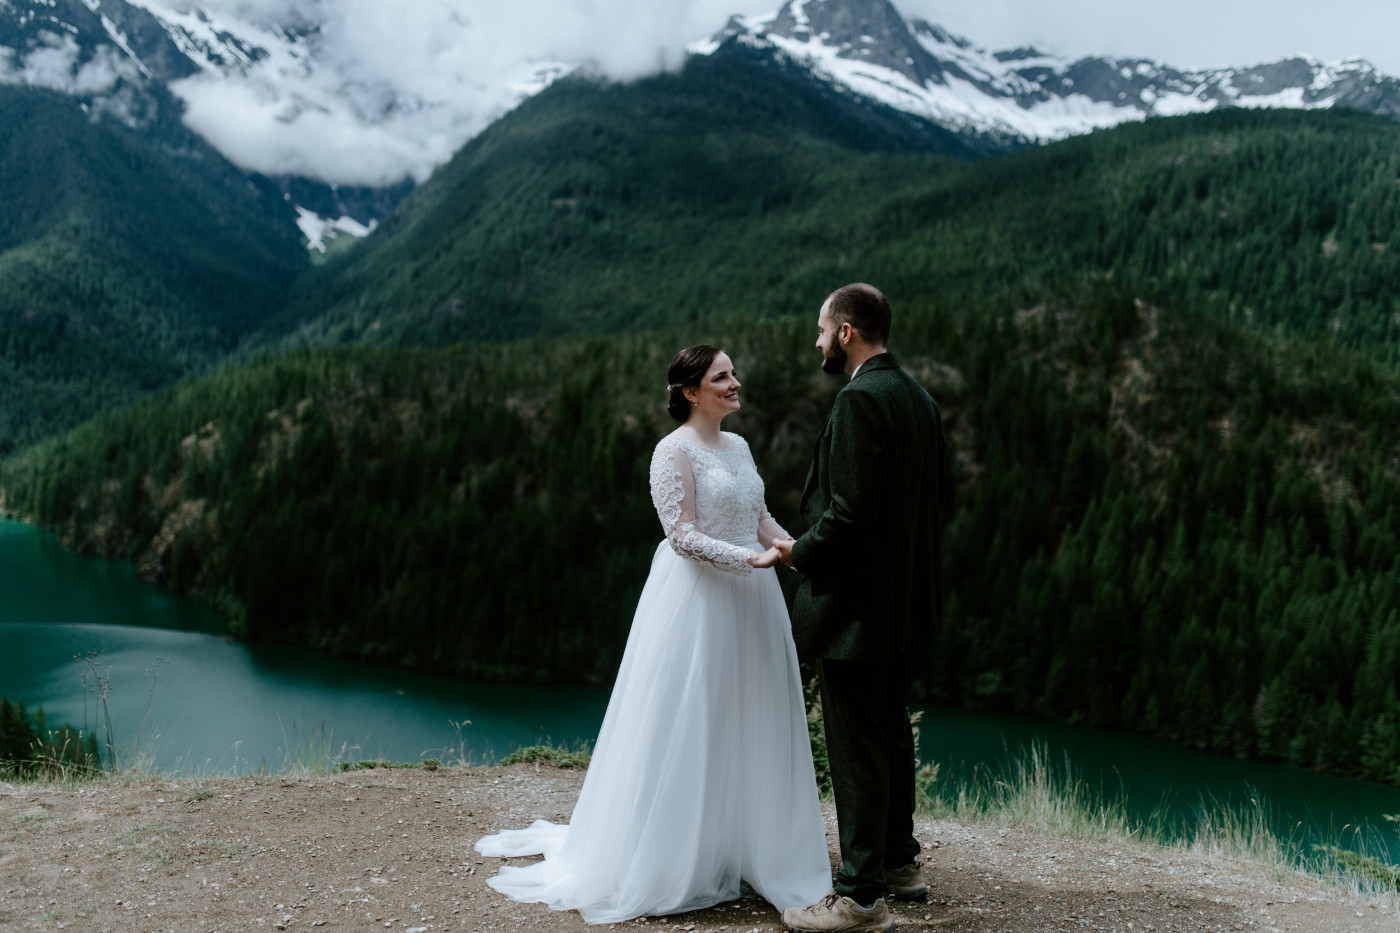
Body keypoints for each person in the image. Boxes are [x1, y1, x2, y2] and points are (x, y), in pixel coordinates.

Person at [475, 345, 831, 925]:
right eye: (722, 376)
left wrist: (796, 552)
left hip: (753, 598)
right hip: (699, 600)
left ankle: (746, 845)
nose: (735, 382)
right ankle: (671, 854)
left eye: (734, 372)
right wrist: (753, 561)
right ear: (691, 392)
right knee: (689, 717)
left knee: (751, 714)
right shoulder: (672, 451)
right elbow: (682, 534)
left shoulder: (738, 446)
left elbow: (760, 517)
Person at [776, 284, 951, 933]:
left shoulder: (859, 399)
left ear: (846, 331)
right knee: (890, 729)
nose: (817, 343)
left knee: (855, 745)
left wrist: (798, 552)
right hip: (907, 607)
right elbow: (939, 502)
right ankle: (900, 863)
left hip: (855, 610)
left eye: (821, 331)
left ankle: (859, 896)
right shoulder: (920, 399)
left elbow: (847, 512)